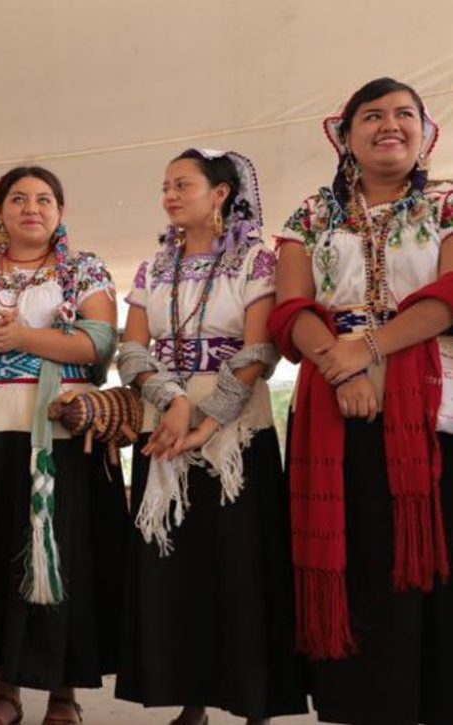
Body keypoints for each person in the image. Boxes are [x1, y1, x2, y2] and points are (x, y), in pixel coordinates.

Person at [270, 77, 453, 725]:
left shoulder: (449, 203)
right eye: (371, 116)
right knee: (365, 571)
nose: (389, 125)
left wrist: (368, 349)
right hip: (335, 408)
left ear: (425, 132)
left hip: (437, 413)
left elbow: (452, 291)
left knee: (435, 574)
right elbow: (290, 307)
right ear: (345, 136)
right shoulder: (309, 215)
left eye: (404, 113)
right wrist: (342, 367)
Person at [0, 166, 126, 725]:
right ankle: (5, 695)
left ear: (60, 211)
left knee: (63, 558)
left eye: (43, 199)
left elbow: (100, 344)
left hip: (60, 439)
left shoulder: (84, 269)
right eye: (18, 198)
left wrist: (23, 338)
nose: (30, 208)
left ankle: (64, 697)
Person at [115, 149, 304, 724]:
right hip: (165, 427)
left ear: (220, 193)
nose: (169, 195)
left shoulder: (255, 260)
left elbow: (258, 350)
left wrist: (208, 421)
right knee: (179, 567)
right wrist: (171, 403)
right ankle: (191, 699)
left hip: (236, 434)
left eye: (183, 184)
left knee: (243, 566)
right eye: (165, 186)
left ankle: (255, 705)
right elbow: (131, 350)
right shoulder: (152, 268)